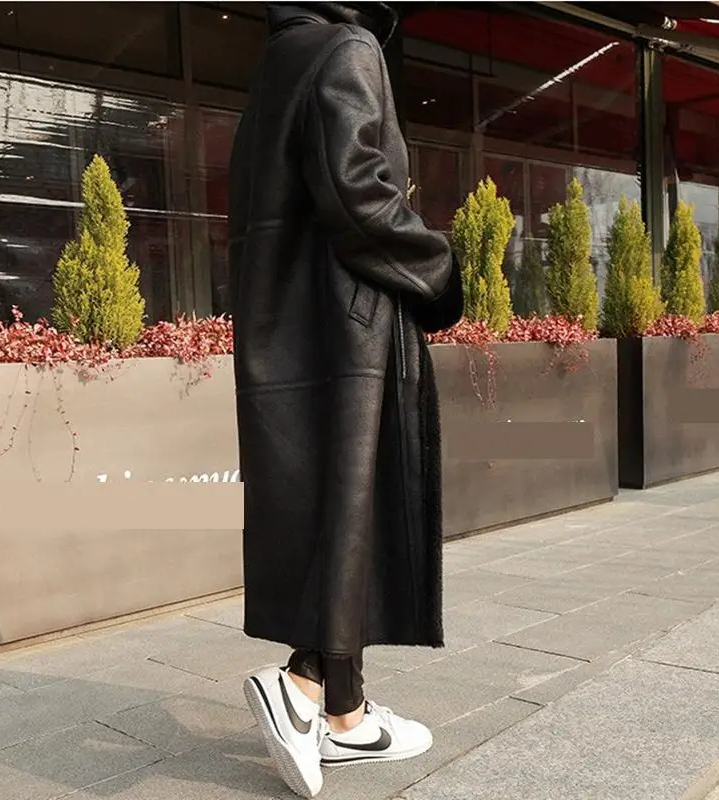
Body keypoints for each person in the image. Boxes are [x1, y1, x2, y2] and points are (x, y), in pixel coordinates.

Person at [227, 3, 463, 797]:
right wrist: (438, 273)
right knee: (359, 500)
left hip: (292, 327)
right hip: (348, 326)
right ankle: (301, 683)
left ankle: (346, 715)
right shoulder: (347, 48)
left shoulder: (278, 63)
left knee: (339, 505)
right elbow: (358, 192)